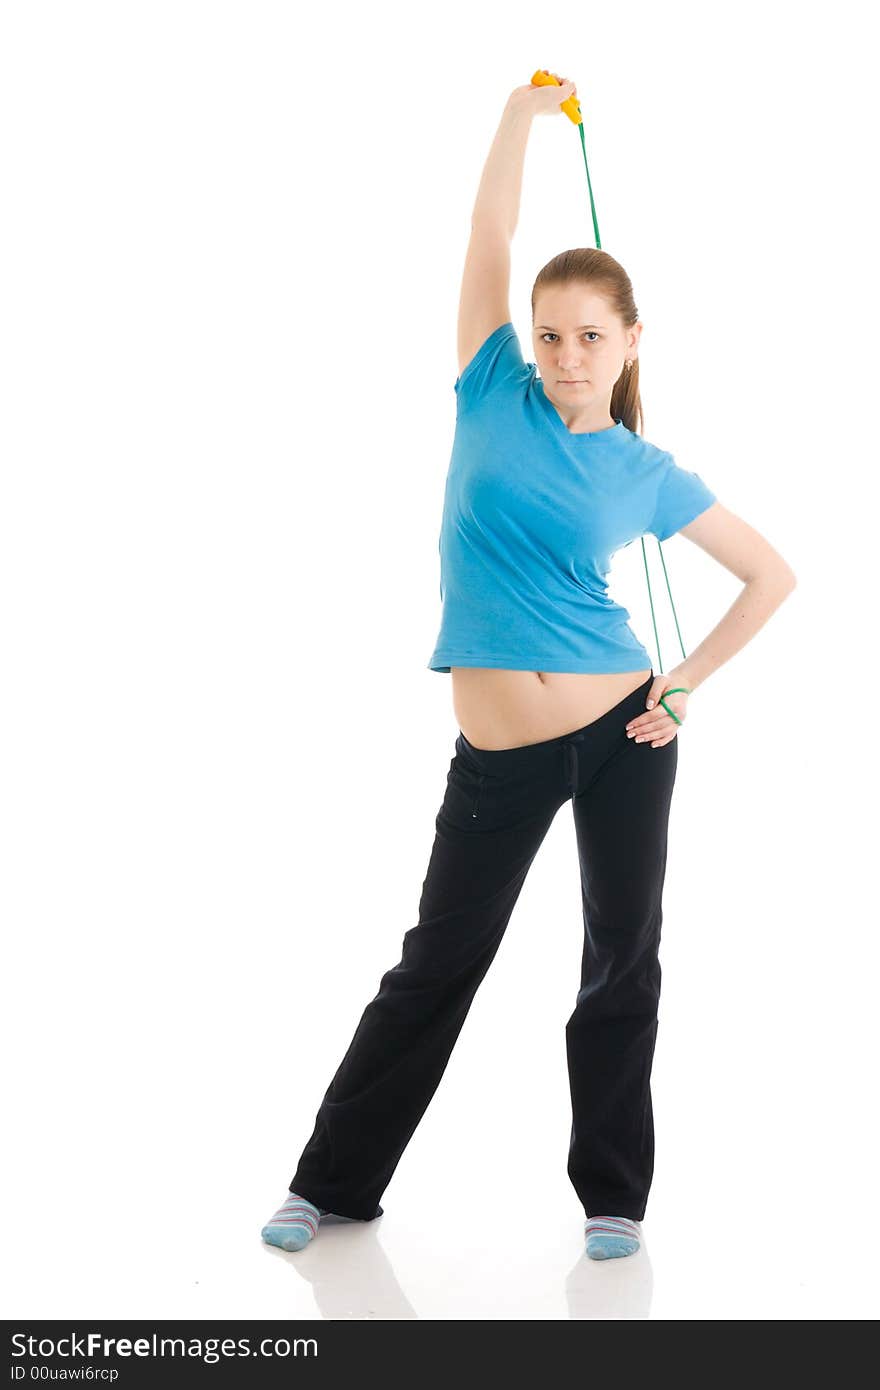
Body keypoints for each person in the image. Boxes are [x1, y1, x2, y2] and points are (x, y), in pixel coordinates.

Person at [262, 75, 797, 1262]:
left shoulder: (648, 471)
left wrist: (685, 680)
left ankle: (613, 1197)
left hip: (623, 732)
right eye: (549, 333)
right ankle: (331, 1184)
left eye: (588, 337)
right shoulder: (489, 386)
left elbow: (770, 575)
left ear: (630, 343)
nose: (562, 353)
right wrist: (520, 115)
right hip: (499, 752)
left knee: (621, 954)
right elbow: (489, 236)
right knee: (438, 959)